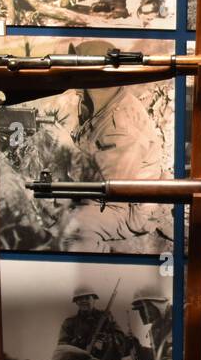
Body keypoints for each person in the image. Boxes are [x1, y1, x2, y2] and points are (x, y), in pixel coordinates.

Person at [58, 40, 165, 252]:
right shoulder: (104, 102)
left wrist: (66, 158)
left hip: (128, 207)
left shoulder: (121, 125)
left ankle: (107, 275)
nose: (77, 90)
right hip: (108, 189)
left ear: (98, 82)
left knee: (74, 231)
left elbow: (110, 189)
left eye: (82, 81)